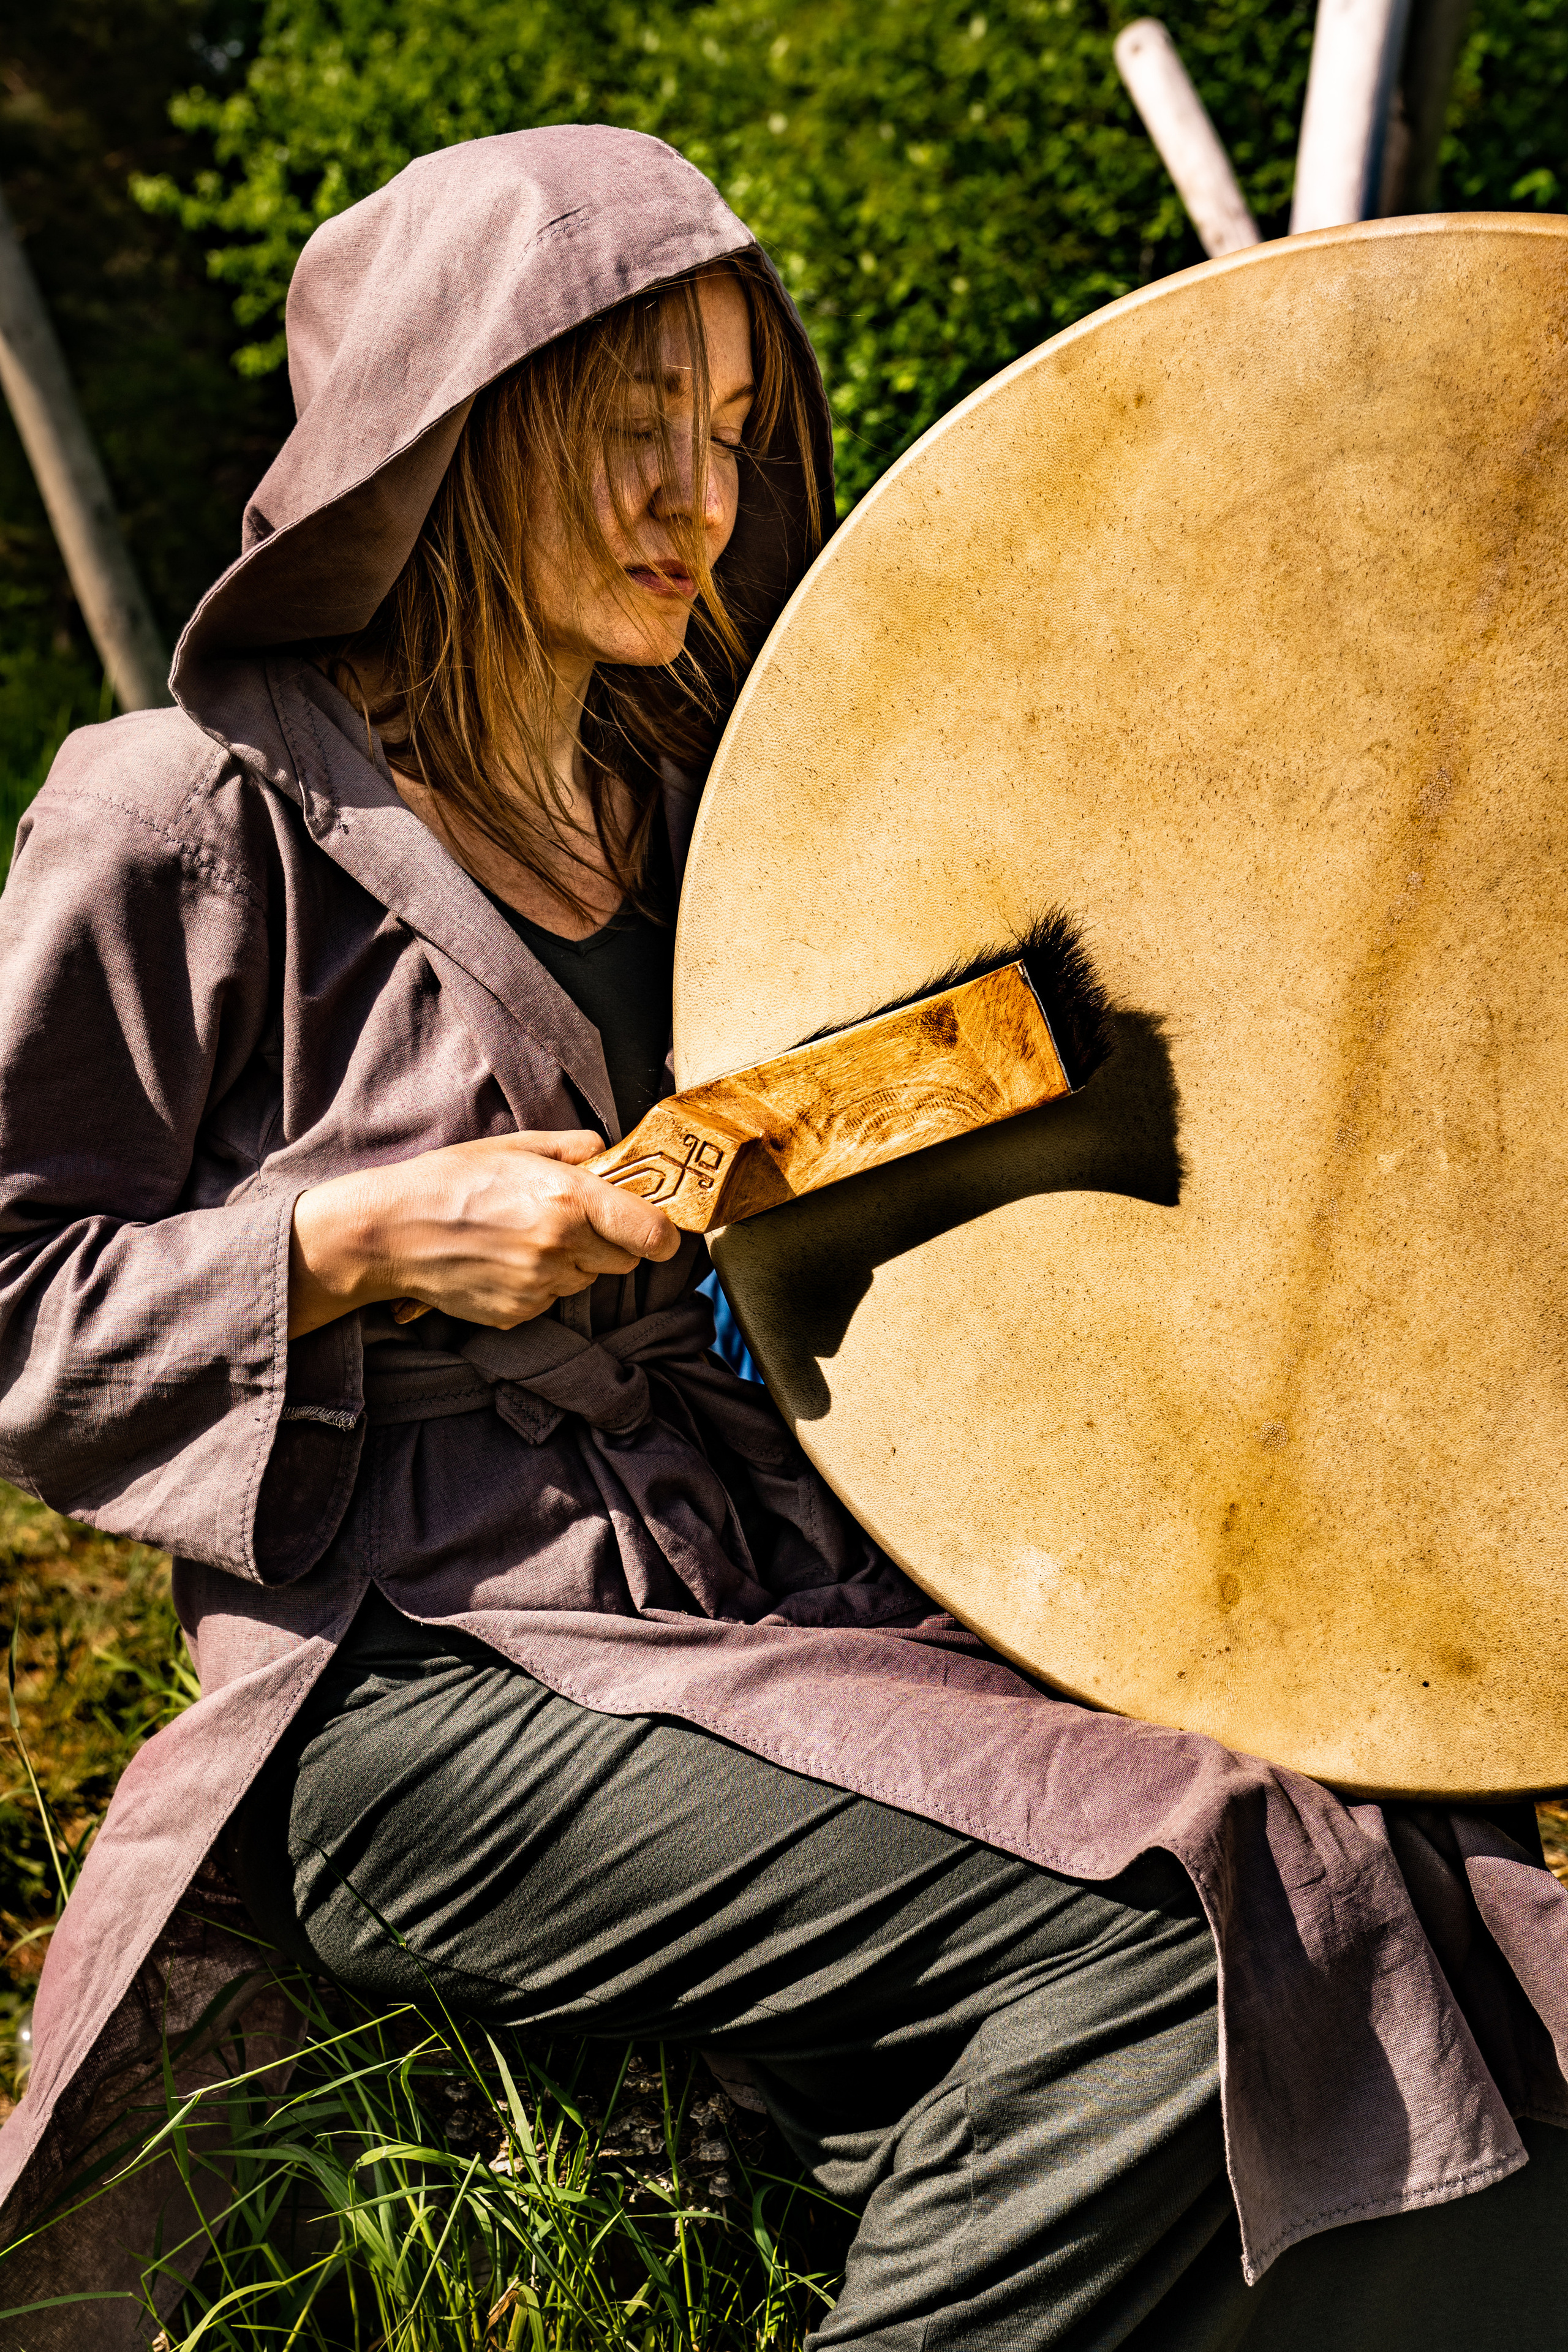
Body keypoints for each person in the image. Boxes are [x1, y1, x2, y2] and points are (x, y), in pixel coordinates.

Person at [0, 127, 1563, 2351]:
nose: (703, 500)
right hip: (411, 1681)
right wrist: (361, 1244)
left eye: (734, 430)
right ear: (453, 422)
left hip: (770, 1602)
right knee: (1172, 1924)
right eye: (632, 424)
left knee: (1447, 1883)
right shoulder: (191, 811)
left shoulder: (735, 802)